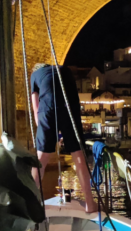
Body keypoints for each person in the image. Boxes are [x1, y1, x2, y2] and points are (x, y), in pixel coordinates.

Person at [30, 62, 96, 212]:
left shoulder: (35, 75)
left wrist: (44, 133)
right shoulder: (65, 70)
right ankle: (90, 204)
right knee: (78, 154)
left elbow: (36, 109)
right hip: (70, 106)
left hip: (47, 109)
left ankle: (33, 203)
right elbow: (74, 96)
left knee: (41, 158)